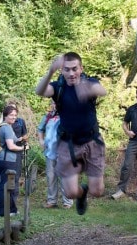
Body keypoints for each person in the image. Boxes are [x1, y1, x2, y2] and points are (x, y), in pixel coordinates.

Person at [35, 52, 107, 215]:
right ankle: (81, 193)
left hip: (92, 142)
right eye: (67, 69)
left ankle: (87, 185)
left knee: (97, 191)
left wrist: (87, 90)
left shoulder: (89, 82)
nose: (71, 73)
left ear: (81, 68)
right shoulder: (58, 88)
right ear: (62, 70)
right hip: (68, 144)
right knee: (70, 193)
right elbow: (39, 91)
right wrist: (50, 71)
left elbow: (102, 91)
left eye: (75, 69)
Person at [111, 87, 137, 201]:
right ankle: (121, 190)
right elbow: (124, 123)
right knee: (126, 166)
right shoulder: (131, 109)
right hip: (133, 141)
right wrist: (127, 131)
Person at [38, 101, 73, 209]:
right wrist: (41, 141)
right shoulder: (47, 117)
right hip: (49, 152)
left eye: (57, 103)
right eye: (53, 103)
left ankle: (67, 202)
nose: (55, 105)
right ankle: (52, 201)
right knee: (51, 176)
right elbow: (40, 129)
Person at [0, 105, 26, 217]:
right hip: (7, 159)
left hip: (3, 159)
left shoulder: (4, 126)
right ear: (5, 116)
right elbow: (10, 146)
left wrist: (20, 140)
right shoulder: (7, 128)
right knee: (6, 185)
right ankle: (3, 211)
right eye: (11, 115)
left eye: (15, 115)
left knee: (8, 185)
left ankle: (11, 209)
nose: (13, 117)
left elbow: (11, 141)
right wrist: (23, 148)